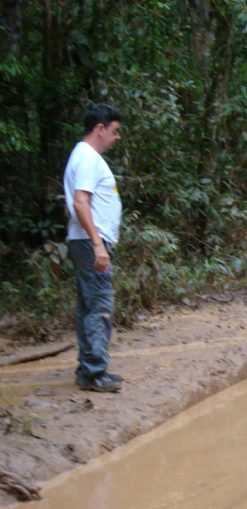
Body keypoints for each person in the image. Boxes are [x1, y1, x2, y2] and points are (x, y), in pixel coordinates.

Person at [63, 104, 123, 392]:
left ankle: (88, 369)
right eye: (114, 131)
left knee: (88, 305)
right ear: (99, 129)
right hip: (91, 241)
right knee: (99, 304)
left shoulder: (84, 156)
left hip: (86, 240)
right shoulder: (87, 158)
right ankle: (95, 371)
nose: (116, 137)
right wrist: (98, 244)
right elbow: (80, 201)